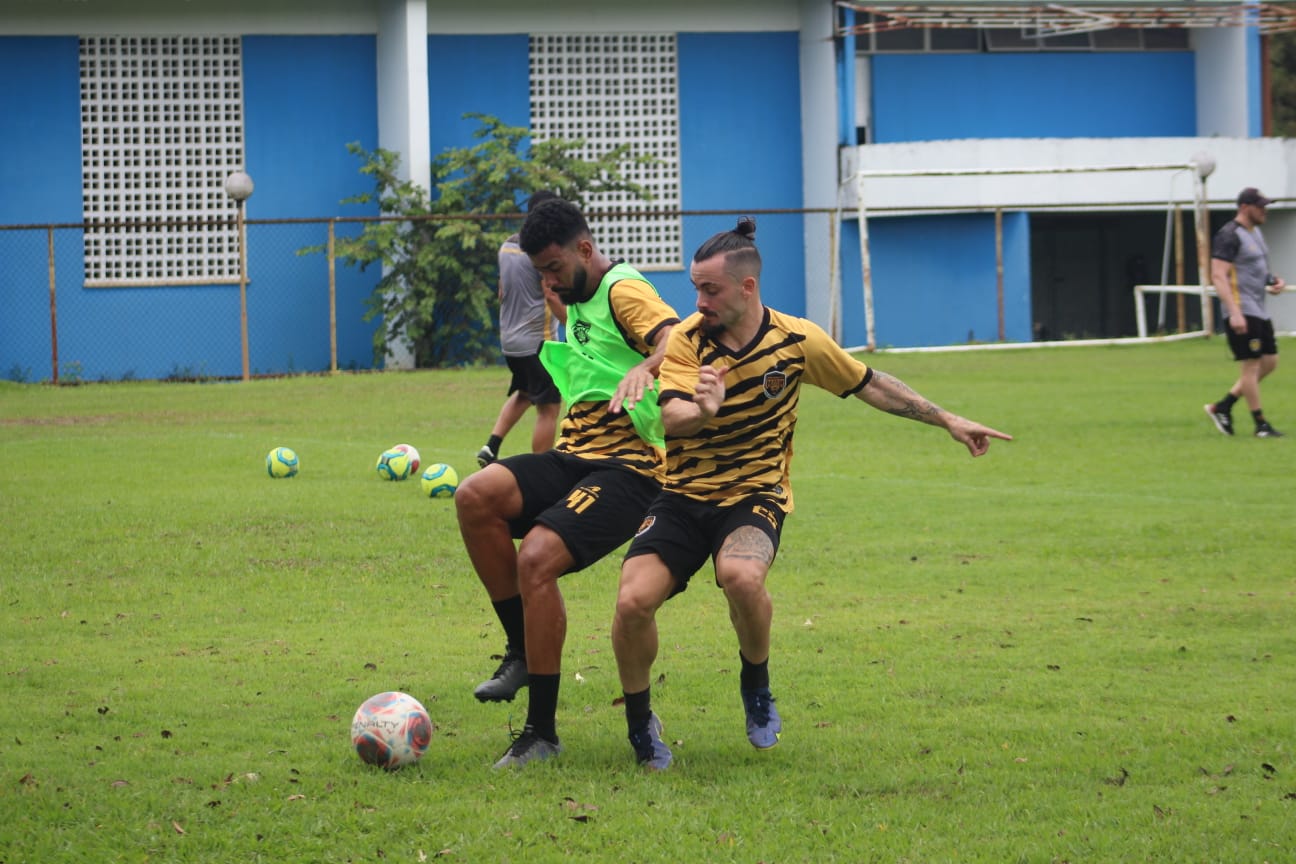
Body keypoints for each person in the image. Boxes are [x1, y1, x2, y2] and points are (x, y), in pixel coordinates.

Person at [610, 218, 1012, 770]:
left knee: (742, 576)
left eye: (710, 289)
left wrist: (945, 418)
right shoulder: (687, 340)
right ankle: (640, 722)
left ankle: (756, 685)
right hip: (683, 494)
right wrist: (703, 410)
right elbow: (670, 419)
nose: (698, 301)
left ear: (747, 287)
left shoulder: (798, 340)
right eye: (696, 288)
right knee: (632, 602)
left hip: (756, 492)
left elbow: (869, 383)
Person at [454, 198, 680, 769]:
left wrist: (645, 367)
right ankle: (522, 652)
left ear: (585, 249)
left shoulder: (623, 288)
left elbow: (678, 337)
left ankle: (542, 732)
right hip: (575, 456)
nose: (548, 281)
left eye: (554, 268)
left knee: (536, 556)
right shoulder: (576, 295)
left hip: (630, 468)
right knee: (474, 496)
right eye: (541, 274)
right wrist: (558, 305)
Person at [476, 190, 567, 468]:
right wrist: (573, 325)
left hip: (510, 342)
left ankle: (490, 447)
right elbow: (551, 294)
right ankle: (540, 472)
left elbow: (502, 290)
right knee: (549, 408)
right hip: (538, 342)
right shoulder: (540, 253)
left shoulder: (506, 247)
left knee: (526, 394)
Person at [1203, 187, 1286, 438]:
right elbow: (1218, 275)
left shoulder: (1256, 233)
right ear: (1244, 207)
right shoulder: (1229, 235)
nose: (1264, 210)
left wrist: (1273, 281)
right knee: (1250, 367)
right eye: (1260, 206)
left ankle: (1223, 406)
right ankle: (1260, 424)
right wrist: (1234, 312)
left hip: (1258, 309)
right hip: (1242, 309)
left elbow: (1255, 270)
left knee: (1270, 362)